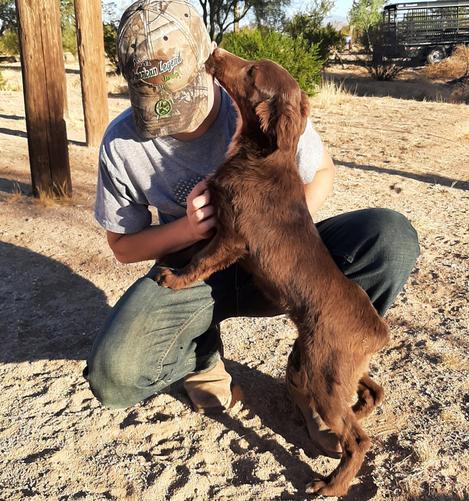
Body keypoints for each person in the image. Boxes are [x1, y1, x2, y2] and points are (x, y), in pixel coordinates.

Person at [84, 0, 419, 457]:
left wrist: (274, 224)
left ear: (211, 61)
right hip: (200, 268)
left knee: (390, 238)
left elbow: (321, 172)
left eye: (188, 107)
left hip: (283, 263)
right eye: (163, 118)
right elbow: (122, 247)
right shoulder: (123, 144)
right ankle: (202, 358)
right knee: (113, 373)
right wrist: (187, 229)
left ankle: (315, 372)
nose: (178, 128)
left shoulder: (265, 103)